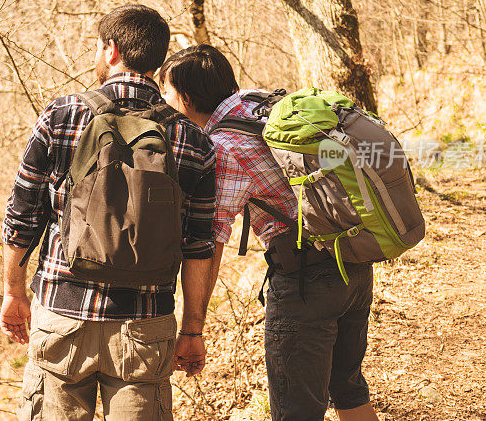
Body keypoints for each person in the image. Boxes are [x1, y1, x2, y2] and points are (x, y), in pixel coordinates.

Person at [0, 6, 217, 421]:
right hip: (145, 323)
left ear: (111, 50)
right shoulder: (191, 139)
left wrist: (14, 292)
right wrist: (192, 329)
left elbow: (23, 214)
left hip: (62, 314)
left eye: (98, 47)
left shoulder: (63, 116)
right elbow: (198, 246)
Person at [159, 44, 379, 421]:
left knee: (296, 412)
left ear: (186, 97)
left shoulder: (224, 147)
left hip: (307, 283)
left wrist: (193, 327)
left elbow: (212, 239)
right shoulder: (264, 104)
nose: (164, 103)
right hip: (353, 261)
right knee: (348, 389)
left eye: (166, 94)